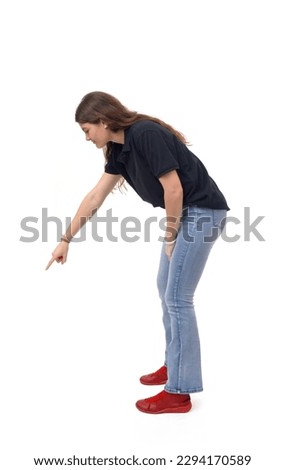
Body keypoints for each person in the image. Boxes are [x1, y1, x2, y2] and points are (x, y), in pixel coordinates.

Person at [46, 91, 229, 414]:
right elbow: (94, 198)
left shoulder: (145, 134)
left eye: (87, 130)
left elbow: (173, 189)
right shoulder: (119, 148)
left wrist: (170, 235)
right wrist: (66, 239)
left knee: (178, 298)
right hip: (186, 214)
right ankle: (174, 365)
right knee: (166, 290)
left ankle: (179, 392)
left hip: (201, 212)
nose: (86, 138)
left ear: (103, 121)